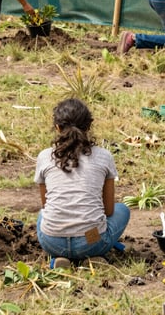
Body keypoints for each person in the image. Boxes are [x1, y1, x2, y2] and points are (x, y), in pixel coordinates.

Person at [34, 98, 130, 268]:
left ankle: (60, 258)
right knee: (122, 210)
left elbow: (45, 203)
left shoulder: (44, 156)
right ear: (88, 127)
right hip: (90, 240)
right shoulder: (104, 156)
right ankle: (91, 256)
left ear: (57, 127)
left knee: (44, 214)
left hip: (52, 242)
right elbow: (108, 210)